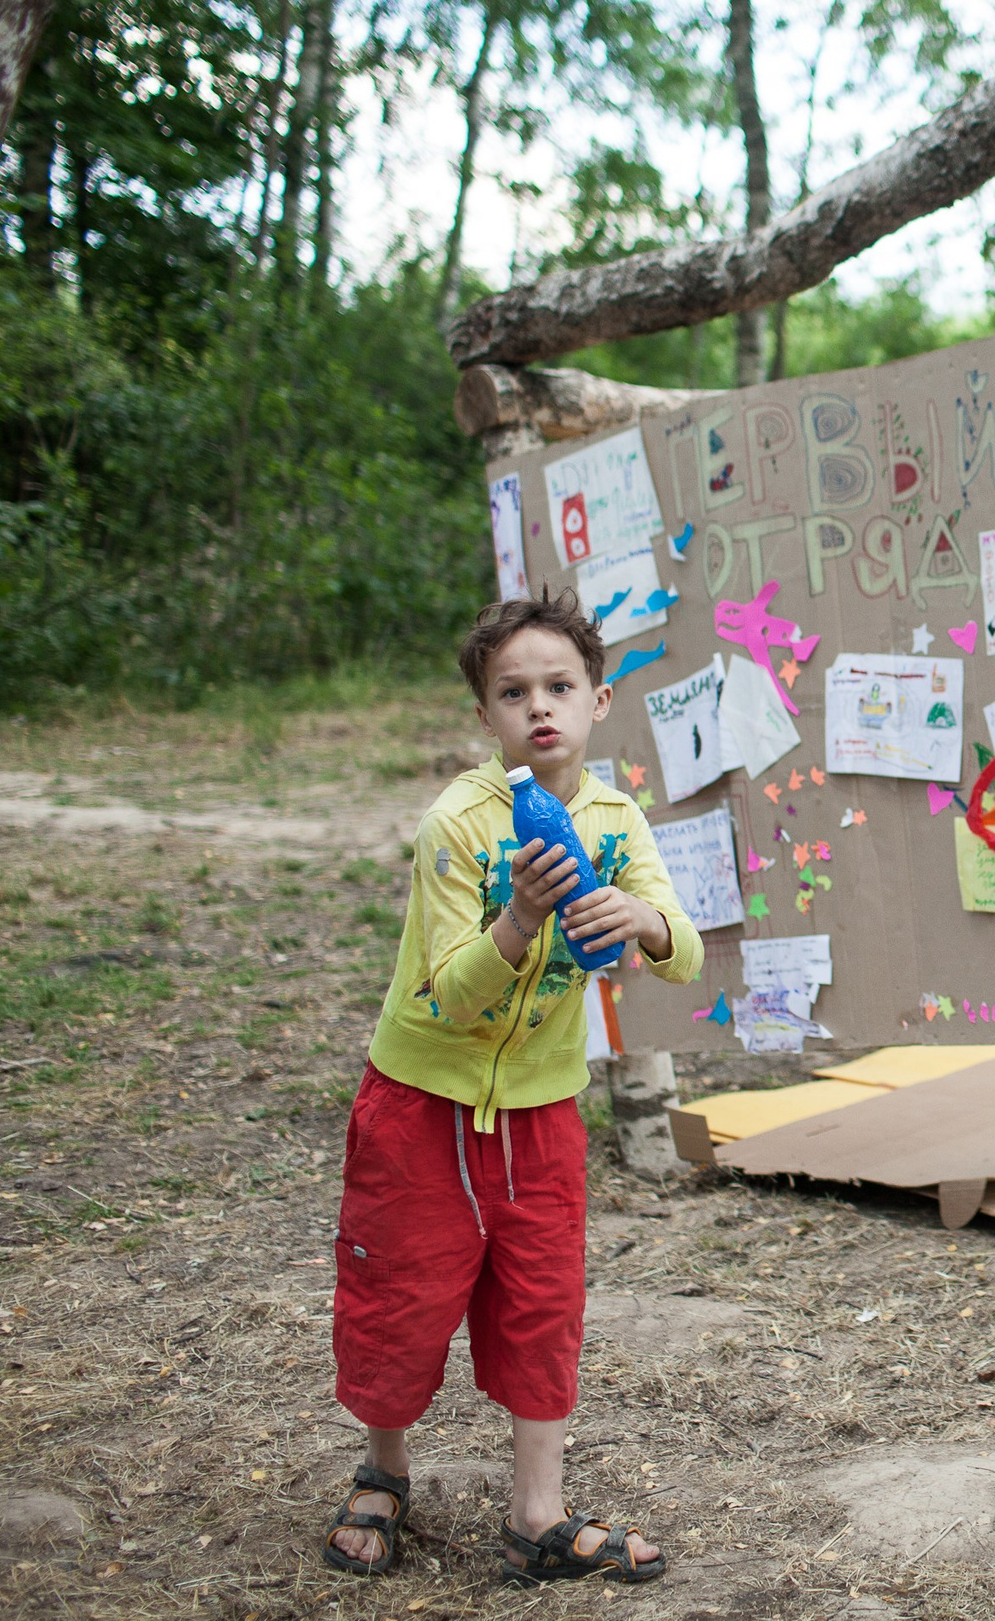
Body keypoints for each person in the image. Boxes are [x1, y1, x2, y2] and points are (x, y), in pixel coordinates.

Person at [321, 593, 702, 1585]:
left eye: (559, 687)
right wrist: (519, 922)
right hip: (422, 1104)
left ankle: (536, 1513)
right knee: (402, 1292)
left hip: (539, 1112)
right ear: (487, 716)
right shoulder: (459, 823)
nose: (540, 708)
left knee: (541, 1298)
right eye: (513, 692)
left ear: (598, 700)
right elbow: (447, 993)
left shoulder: (617, 821)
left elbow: (685, 952)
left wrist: (645, 923)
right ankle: (381, 1469)